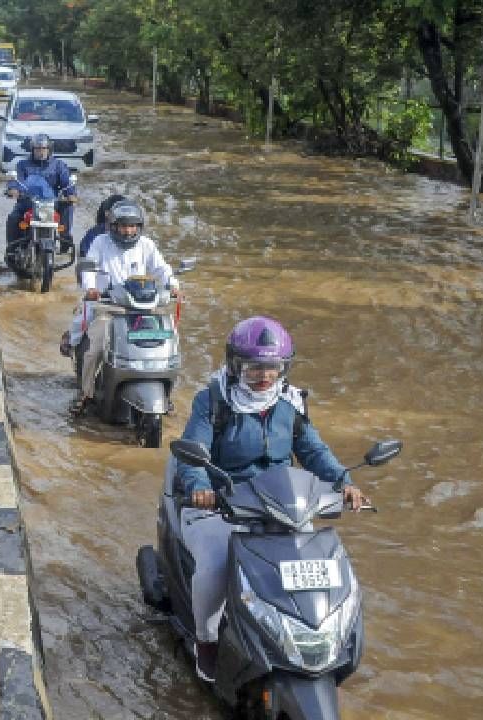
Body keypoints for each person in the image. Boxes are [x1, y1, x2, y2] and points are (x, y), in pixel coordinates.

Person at [175, 316, 367, 682]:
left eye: (272, 368)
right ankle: (206, 642)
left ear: (284, 369)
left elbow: (314, 452)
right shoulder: (213, 401)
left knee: (318, 568)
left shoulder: (290, 404)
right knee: (215, 567)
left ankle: (310, 636)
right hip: (222, 506)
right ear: (235, 367)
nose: (264, 377)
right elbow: (193, 451)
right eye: (253, 369)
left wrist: (344, 482)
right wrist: (200, 487)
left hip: (283, 507)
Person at [65, 201, 177, 412]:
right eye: (124, 226)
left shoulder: (146, 245)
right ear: (113, 226)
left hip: (142, 310)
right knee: (94, 349)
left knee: (169, 342)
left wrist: (173, 285)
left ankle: (166, 393)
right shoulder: (100, 242)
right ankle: (85, 393)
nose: (128, 231)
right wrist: (91, 288)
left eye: (133, 226)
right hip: (109, 308)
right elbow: (88, 266)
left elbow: (161, 268)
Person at [5, 133, 77, 256]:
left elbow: (66, 182)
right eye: (38, 149)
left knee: (67, 207)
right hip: (28, 202)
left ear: (49, 149)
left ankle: (65, 241)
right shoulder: (23, 165)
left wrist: (71, 194)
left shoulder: (58, 165)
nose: (41, 151)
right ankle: (13, 250)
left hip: (51, 203)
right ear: (32, 150)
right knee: (13, 218)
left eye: (44, 148)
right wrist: (13, 189)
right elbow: (16, 180)